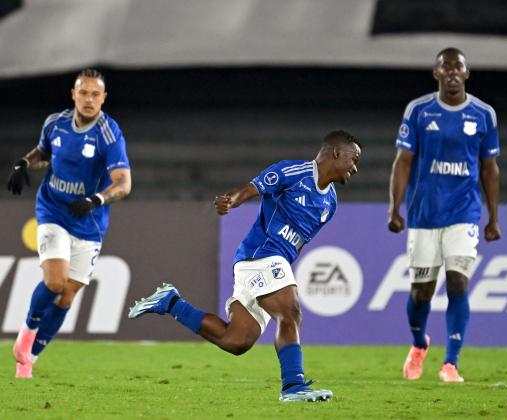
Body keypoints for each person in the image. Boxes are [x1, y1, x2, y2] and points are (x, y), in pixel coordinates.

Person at [128, 130, 361, 402]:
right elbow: (251, 189)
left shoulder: (330, 203)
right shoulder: (294, 172)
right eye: (354, 159)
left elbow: (297, 242)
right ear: (336, 153)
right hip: (260, 255)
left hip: (273, 261)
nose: (355, 168)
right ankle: (293, 386)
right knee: (290, 312)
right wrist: (231, 201)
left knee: (236, 341)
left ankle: (170, 302)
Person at [7, 69, 132, 378]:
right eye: (83, 93)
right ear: (73, 94)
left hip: (87, 220)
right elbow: (44, 153)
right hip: (52, 210)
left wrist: (96, 200)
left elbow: (123, 183)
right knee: (54, 281)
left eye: (95, 94)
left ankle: (29, 360)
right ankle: (26, 333)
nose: (89, 99)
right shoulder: (55, 123)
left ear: (103, 98)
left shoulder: (109, 134)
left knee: (66, 296)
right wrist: (24, 163)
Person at [388, 47, 501, 383]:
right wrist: (394, 208)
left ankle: (451, 363)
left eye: (458, 67)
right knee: (421, 292)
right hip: (424, 214)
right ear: (436, 73)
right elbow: (403, 162)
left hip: (464, 212)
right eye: (445, 67)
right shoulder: (419, 111)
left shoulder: (483, 114)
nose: (452, 72)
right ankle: (419, 343)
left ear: (467, 73)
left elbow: (489, 167)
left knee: (458, 283)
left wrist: (493, 217)